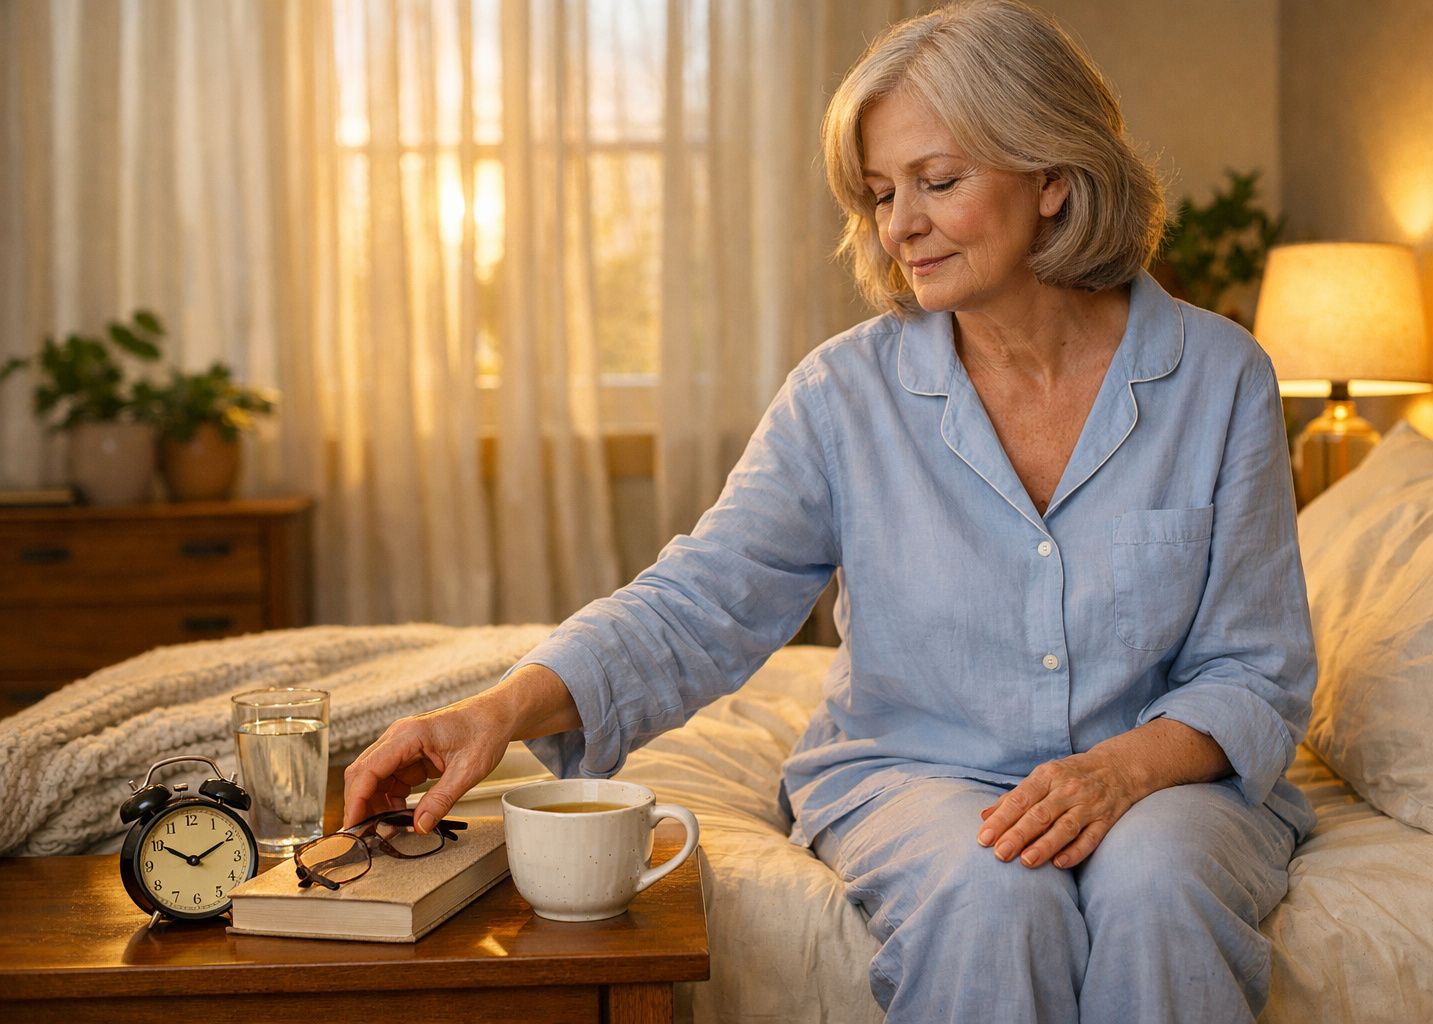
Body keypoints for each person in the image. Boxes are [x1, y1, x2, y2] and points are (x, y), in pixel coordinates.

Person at [344, 2, 1317, 1020]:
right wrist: (493, 712)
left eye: (938, 181)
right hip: (917, 774)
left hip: (1164, 781)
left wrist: (1117, 773)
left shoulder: (1220, 377)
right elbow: (699, 603)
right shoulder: (842, 394)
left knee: (1159, 887)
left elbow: (1255, 667)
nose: (900, 226)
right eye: (882, 192)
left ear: (1053, 178)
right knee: (993, 895)